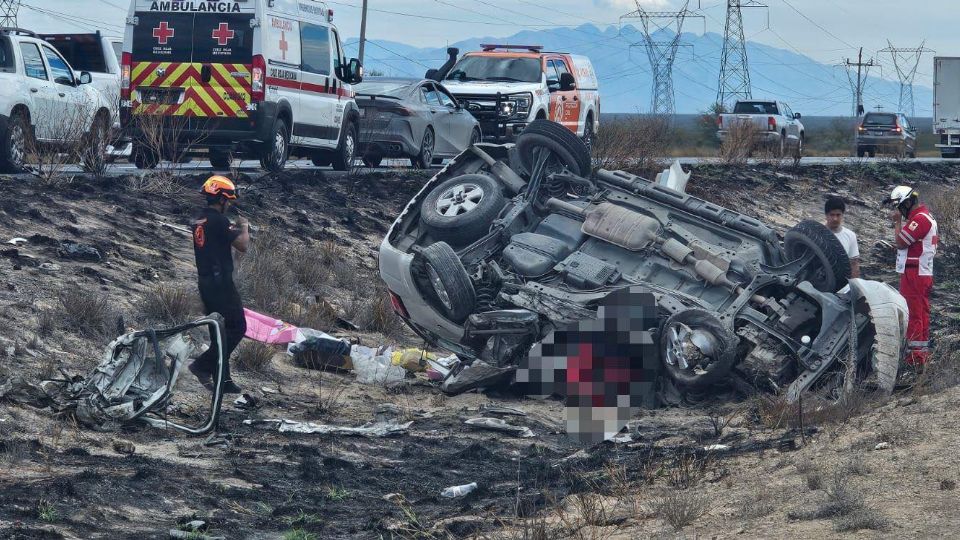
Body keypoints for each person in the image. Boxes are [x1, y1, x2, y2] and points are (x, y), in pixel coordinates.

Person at [189, 176, 250, 394]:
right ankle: (201, 366)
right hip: (221, 284)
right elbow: (242, 245)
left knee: (219, 331)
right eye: (229, 200)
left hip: (205, 283)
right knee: (238, 327)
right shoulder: (219, 221)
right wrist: (245, 228)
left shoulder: (199, 220)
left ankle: (224, 380)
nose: (230, 204)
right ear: (223, 199)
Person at [887, 185, 938, 368]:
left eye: (899, 207)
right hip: (920, 272)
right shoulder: (926, 217)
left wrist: (897, 223)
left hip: (914, 274)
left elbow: (901, 242)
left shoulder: (919, 219)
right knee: (921, 315)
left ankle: (914, 360)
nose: (899, 211)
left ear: (907, 203)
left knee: (914, 316)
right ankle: (921, 357)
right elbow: (911, 244)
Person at [824, 196, 861, 279]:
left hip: (841, 283)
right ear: (826, 215)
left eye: (838, 215)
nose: (835, 218)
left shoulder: (850, 235)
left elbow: (854, 264)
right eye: (832, 215)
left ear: (842, 215)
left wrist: (854, 286)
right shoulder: (817, 232)